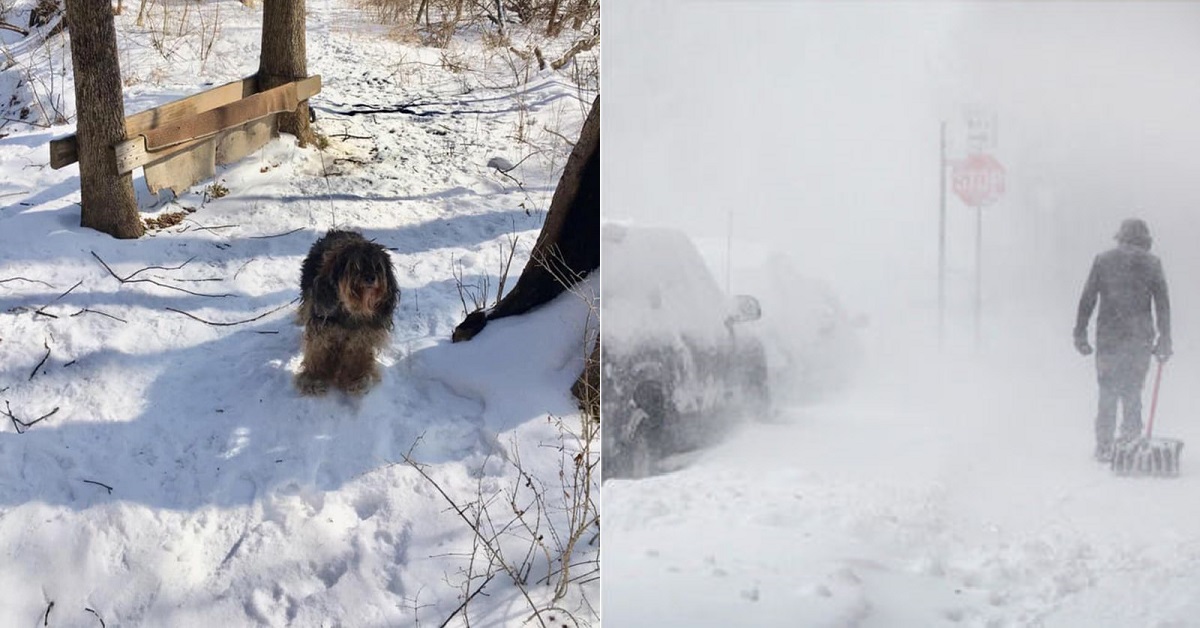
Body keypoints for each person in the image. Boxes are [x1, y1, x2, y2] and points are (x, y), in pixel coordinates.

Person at [1074, 218, 1172, 462]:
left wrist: (1080, 333)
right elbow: (1162, 305)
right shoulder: (1152, 264)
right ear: (1145, 240)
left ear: (1120, 237)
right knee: (1132, 391)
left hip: (1109, 338)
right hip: (1139, 339)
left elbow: (1087, 299)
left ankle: (1105, 446)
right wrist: (1165, 339)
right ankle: (1130, 442)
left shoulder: (1103, 261)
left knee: (1107, 390)